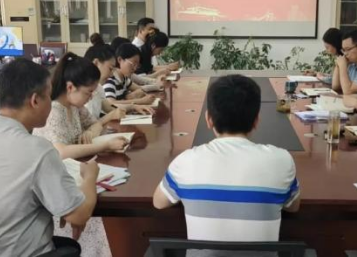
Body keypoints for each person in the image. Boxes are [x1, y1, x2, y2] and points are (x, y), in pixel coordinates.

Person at [0, 59, 98, 257]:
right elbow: (79, 215)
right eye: (49, 96)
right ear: (35, 100)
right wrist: (90, 176)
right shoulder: (38, 150)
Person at [153, 75, 301, 243]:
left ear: (208, 119)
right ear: (256, 121)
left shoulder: (185, 162)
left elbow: (159, 203)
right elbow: (293, 207)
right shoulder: (281, 160)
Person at [34, 53, 129, 257]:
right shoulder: (54, 110)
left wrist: (91, 132)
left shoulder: (74, 107)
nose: (91, 97)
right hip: (55, 192)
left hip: (74, 174)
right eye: (89, 92)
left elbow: (96, 123)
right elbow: (61, 152)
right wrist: (103, 145)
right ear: (70, 87)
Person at [85, 34, 154, 117]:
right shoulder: (81, 90)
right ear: (96, 63)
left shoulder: (98, 88)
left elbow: (110, 107)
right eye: (110, 68)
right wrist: (139, 102)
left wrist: (134, 107)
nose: (111, 74)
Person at [332, 29, 357, 95]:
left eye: (348, 49)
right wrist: (338, 65)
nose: (345, 54)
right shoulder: (353, 63)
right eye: (343, 50)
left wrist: (342, 66)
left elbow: (348, 92)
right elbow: (335, 86)